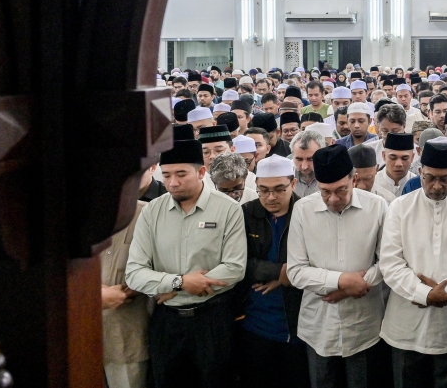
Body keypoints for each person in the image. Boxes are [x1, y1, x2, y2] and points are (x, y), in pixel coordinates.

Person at [124, 139, 247, 388]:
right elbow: (135, 273)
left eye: (181, 174)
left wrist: (176, 284)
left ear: (201, 172)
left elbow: (235, 267)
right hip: (167, 321)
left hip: (212, 319)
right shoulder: (151, 212)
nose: (172, 182)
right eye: (166, 175)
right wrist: (180, 282)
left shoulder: (228, 209)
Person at [379, 137, 447, 388]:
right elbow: (390, 262)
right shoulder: (400, 207)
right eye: (430, 177)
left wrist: (446, 288)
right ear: (419, 172)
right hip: (406, 325)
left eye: (445, 178)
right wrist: (425, 294)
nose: (437, 186)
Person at [287, 144, 391, 388]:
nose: (333, 199)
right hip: (320, 327)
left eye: (341, 190)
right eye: (325, 192)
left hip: (364, 325)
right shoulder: (303, 210)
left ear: (354, 180)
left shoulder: (377, 206)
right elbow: (295, 271)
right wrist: (342, 281)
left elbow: (388, 261)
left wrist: (358, 285)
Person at [238, 155, 309, 387]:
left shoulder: (307, 213)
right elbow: (237, 262)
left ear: (293, 184)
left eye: (279, 189)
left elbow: (318, 262)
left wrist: (291, 275)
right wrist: (281, 273)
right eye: (263, 190)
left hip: (298, 322)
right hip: (255, 322)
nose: (271, 197)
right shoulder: (245, 214)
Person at [102, 195, 151, 388]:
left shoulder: (148, 213)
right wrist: (95, 295)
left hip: (125, 334)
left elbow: (163, 265)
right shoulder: (67, 214)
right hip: (79, 333)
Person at [375, 132, 417, 196]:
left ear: (412, 157)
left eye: (404, 158)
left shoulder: (418, 185)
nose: (399, 164)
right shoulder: (373, 183)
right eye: (393, 158)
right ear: (384, 156)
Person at [290, 132, 322, 198]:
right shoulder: (285, 176)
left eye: (310, 159)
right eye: (299, 159)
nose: (304, 167)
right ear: (292, 156)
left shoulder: (333, 176)